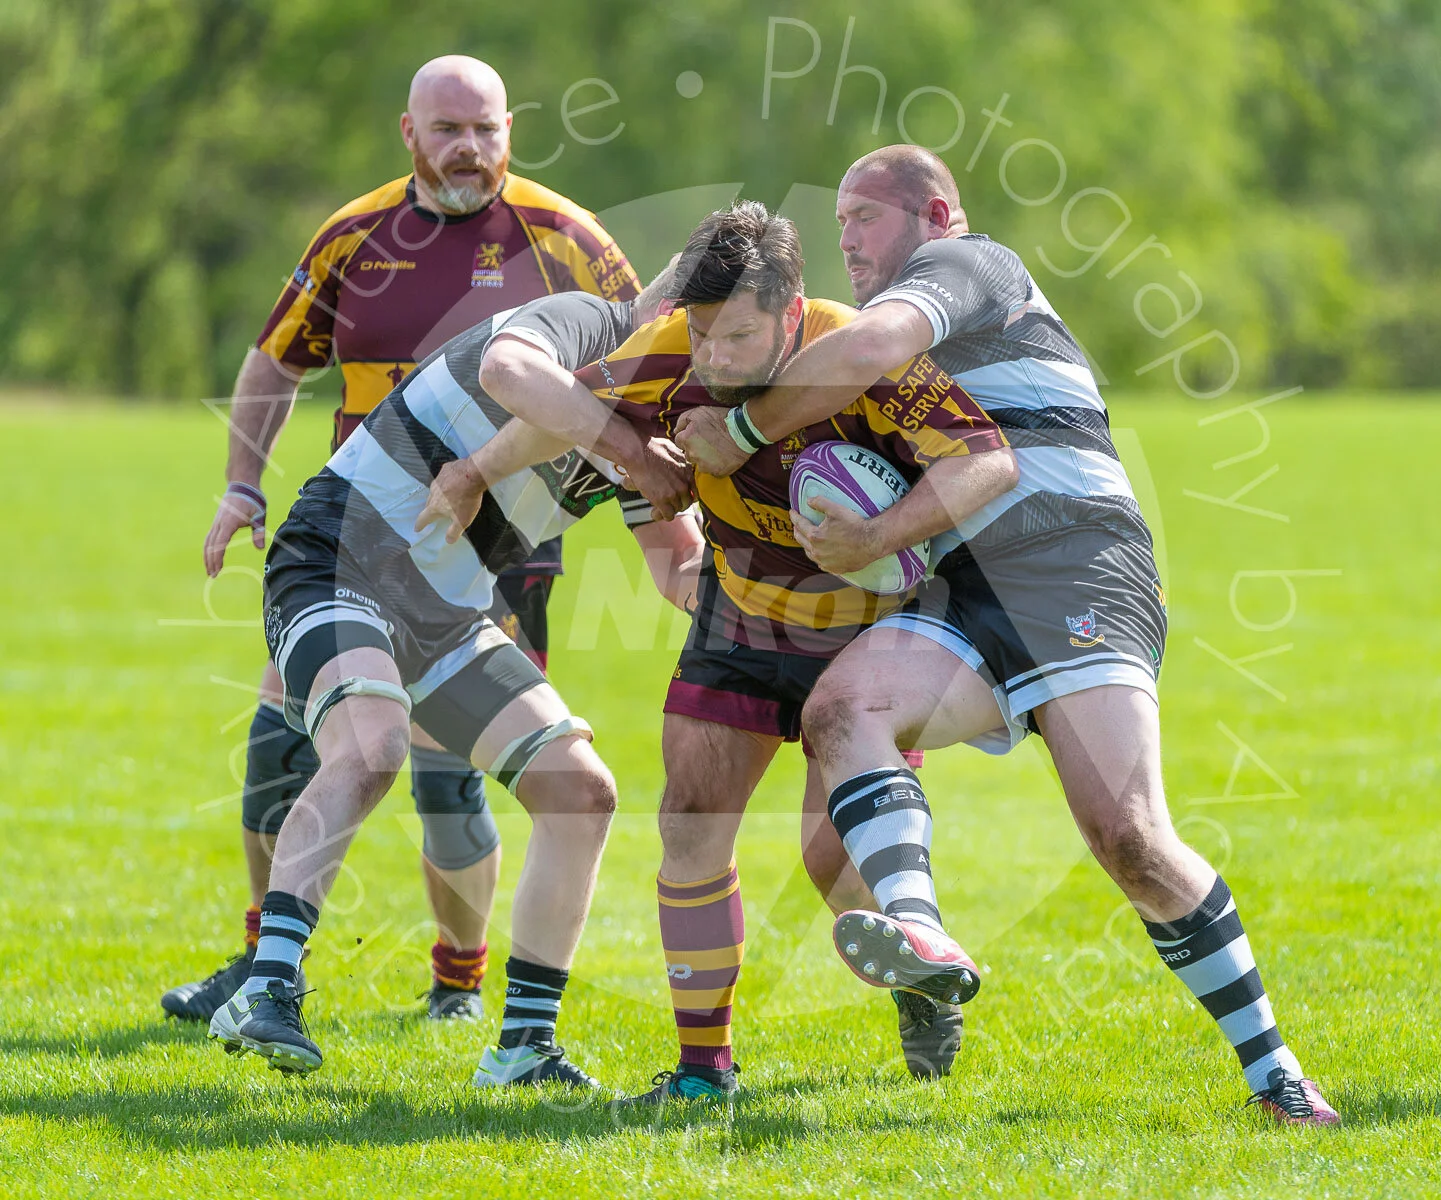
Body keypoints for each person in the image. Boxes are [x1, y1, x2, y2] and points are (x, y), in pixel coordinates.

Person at [673, 146, 1340, 1126]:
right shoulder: (873, 340)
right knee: (844, 709)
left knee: (1130, 840)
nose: (847, 236)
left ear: (935, 213)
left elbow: (864, 351)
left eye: (867, 216)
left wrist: (739, 434)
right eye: (842, 220)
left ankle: (1273, 1070)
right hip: (967, 588)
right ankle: (923, 938)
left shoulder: (969, 267)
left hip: (1075, 563)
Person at [439, 201, 1018, 1099]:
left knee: (834, 858)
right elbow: (562, 411)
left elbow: (986, 460)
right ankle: (703, 1070)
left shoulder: (864, 354)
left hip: (863, 642)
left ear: (792, 312)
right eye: (703, 331)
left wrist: (879, 537)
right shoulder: (675, 346)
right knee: (691, 823)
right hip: (739, 620)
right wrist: (482, 470)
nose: (711, 355)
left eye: (737, 335)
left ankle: (918, 977)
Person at [165, 54, 641, 1025]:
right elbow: (270, 363)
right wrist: (241, 484)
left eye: (488, 130)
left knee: (447, 777)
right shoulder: (355, 234)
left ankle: (459, 983)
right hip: (354, 545)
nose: (470, 149)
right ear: (409, 132)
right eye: (450, 130)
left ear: (513, 130)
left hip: (498, 561)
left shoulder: (572, 245)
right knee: (282, 747)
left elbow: (636, 386)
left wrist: (670, 526)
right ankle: (263, 960)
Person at [206, 285, 699, 1084]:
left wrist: (789, 586)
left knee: (581, 791)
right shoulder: (586, 324)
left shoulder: (654, 417)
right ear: (668, 311)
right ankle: (267, 989)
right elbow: (509, 371)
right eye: (704, 336)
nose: (707, 363)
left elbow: (679, 567)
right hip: (338, 563)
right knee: (372, 745)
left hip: (449, 615)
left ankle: (522, 1049)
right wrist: (637, 452)